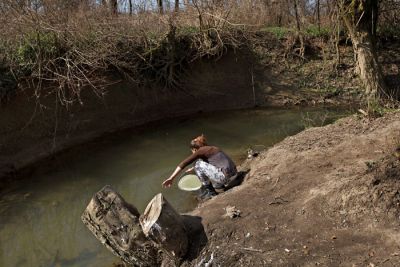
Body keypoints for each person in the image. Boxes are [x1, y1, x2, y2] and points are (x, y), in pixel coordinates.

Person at [162, 134, 237, 199]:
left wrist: (171, 178)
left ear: (194, 149)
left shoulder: (200, 151)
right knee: (198, 164)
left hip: (226, 178)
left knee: (197, 164)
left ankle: (211, 192)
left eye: (192, 151)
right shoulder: (212, 148)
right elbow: (212, 163)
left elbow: (183, 163)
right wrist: (193, 169)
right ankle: (220, 184)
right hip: (234, 173)